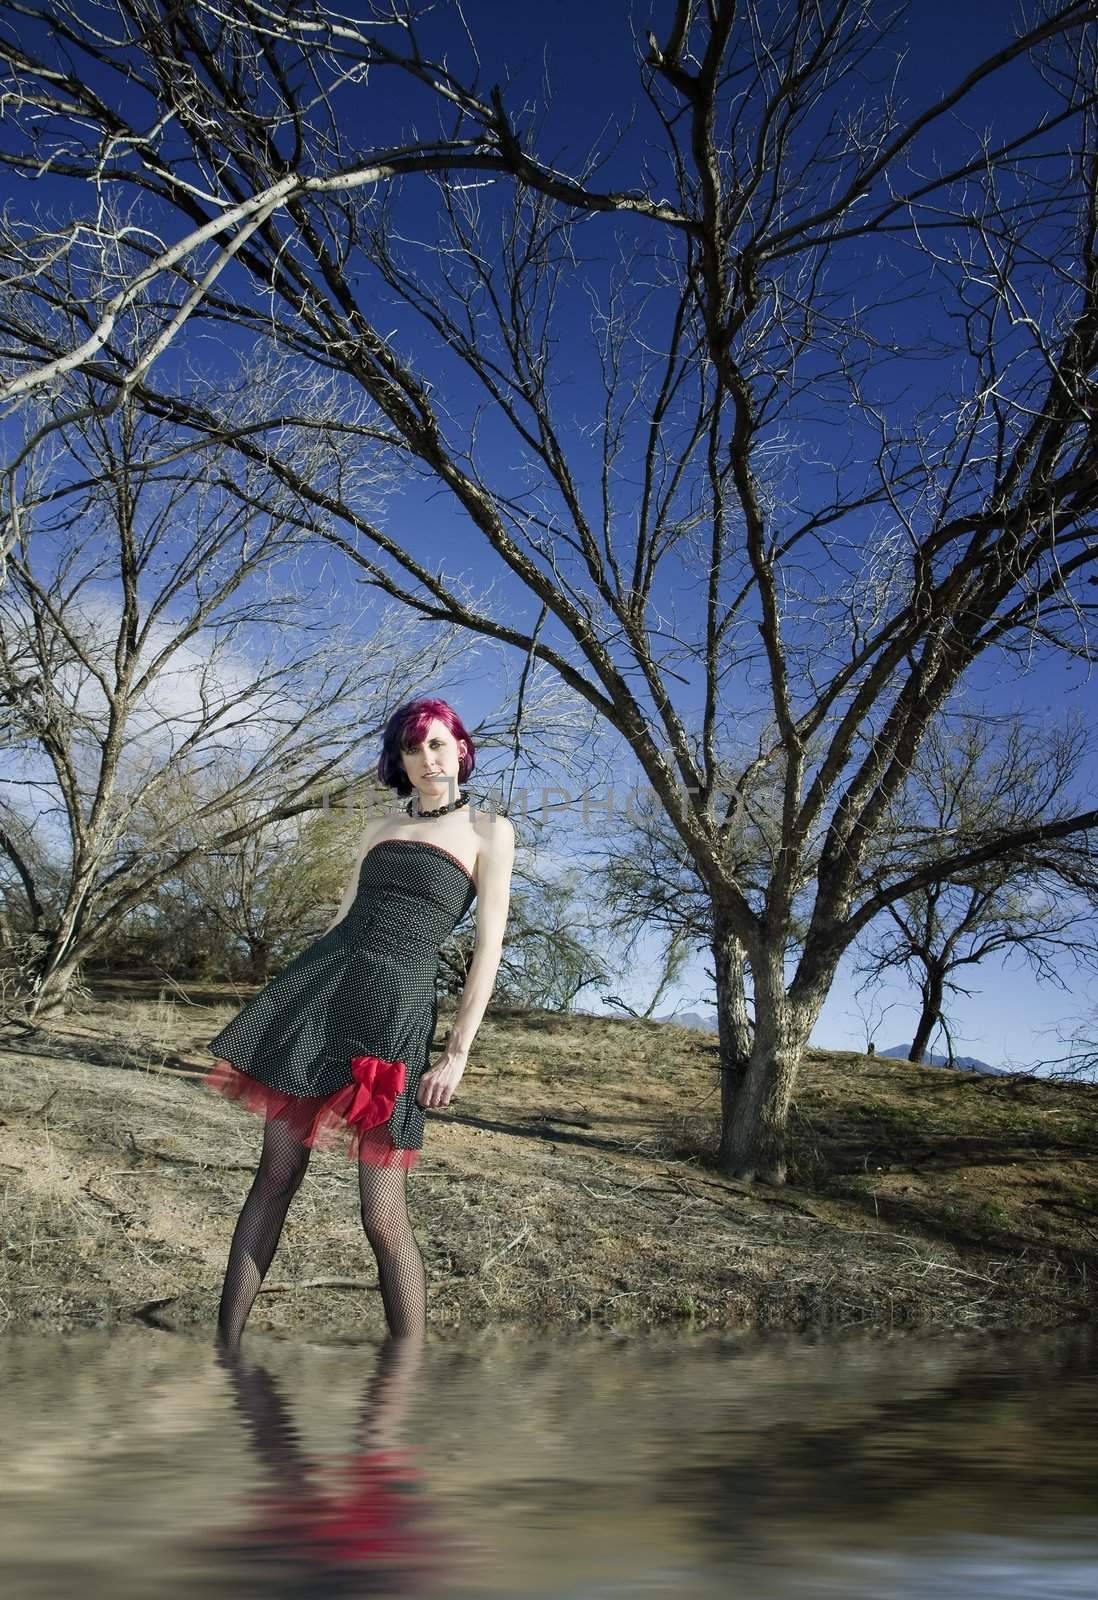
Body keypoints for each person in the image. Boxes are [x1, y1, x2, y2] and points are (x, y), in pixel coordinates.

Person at [201, 697, 515, 1350]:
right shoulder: (378, 828)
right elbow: (340, 919)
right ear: (399, 761)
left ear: (459, 748)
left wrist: (456, 1053)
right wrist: (289, 1001)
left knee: (381, 1213)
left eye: (436, 743)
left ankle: (401, 1384)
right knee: (276, 1175)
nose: (426, 758)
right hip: (326, 993)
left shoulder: (489, 831)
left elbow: (488, 950)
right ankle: (224, 1353)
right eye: (411, 747)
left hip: (395, 1012)